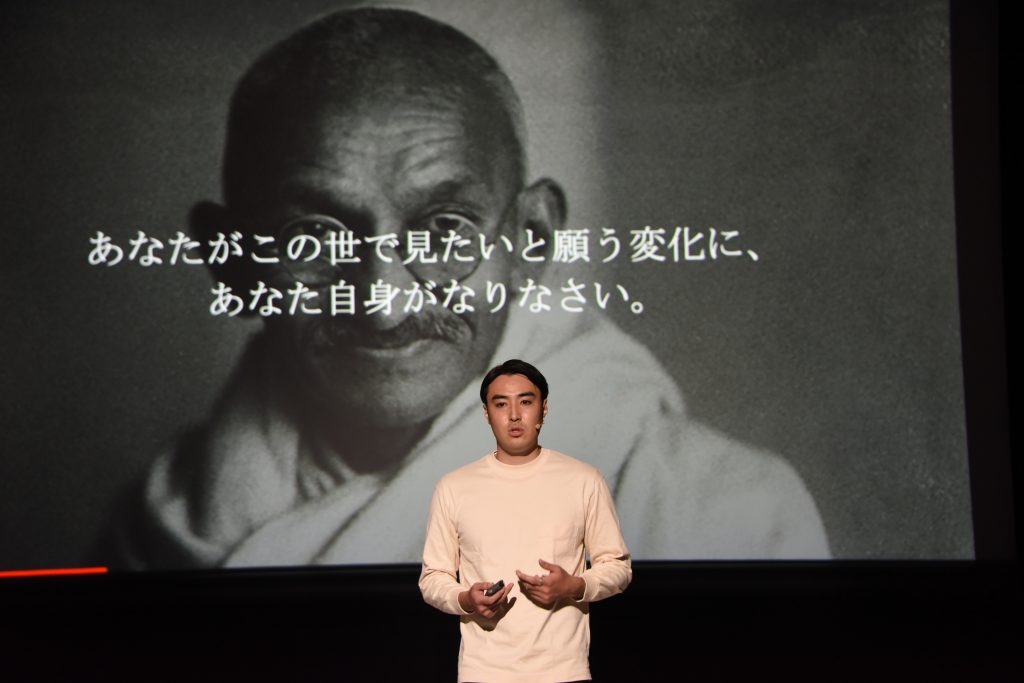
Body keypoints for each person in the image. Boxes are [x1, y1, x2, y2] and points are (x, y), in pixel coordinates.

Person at [99, 7, 829, 569]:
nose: (384, 303)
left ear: (531, 239)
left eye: (444, 231)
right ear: (229, 259)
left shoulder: (719, 511)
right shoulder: (151, 531)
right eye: (315, 238)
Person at [420, 359, 631, 682]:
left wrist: (574, 586)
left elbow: (617, 567)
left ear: (544, 409)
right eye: (501, 404)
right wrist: (466, 599)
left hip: (563, 671)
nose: (514, 415)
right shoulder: (454, 487)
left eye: (526, 402)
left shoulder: (584, 480)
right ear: (486, 413)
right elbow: (433, 577)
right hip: (483, 672)